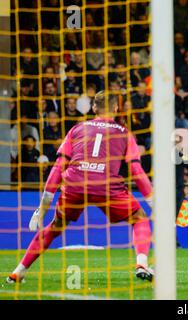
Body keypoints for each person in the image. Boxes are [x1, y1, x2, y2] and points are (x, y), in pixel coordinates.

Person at [7, 91, 154, 283]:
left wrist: (42, 208)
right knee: (140, 218)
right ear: (116, 109)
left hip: (75, 184)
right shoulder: (124, 132)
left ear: (93, 108)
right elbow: (135, 169)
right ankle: (142, 264)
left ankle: (18, 272)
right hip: (106, 186)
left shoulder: (77, 129)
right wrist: (153, 201)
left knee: (54, 227)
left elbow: (59, 167)